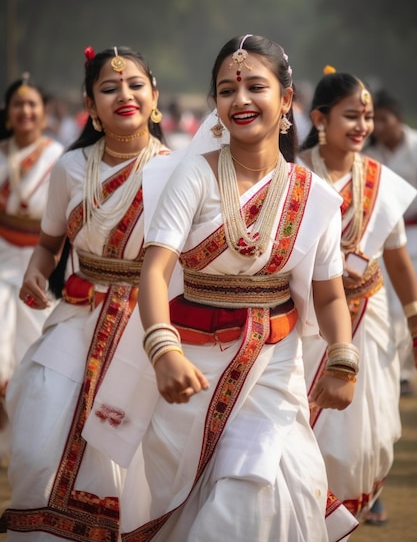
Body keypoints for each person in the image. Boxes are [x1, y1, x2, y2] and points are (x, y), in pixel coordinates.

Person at [89, 34, 359, 542]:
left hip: (273, 372)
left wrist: (343, 359)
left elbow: (327, 295)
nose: (240, 100)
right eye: (226, 90)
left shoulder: (313, 197)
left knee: (264, 490)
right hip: (192, 370)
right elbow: (154, 270)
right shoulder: (192, 176)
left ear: (286, 98)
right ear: (214, 103)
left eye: (256, 86)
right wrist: (163, 350)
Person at [2, 46, 169, 541]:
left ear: (154, 96)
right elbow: (50, 244)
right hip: (77, 316)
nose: (125, 94)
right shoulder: (71, 168)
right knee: (35, 443)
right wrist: (38, 271)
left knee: (127, 458)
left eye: (136, 84)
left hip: (146, 328)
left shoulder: (180, 171)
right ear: (90, 105)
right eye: (109, 87)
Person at [298, 69, 417, 526]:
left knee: (374, 433)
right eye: (352, 115)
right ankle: (313, 507)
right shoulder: (295, 173)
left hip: (369, 315)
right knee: (315, 423)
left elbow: (399, 260)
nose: (363, 126)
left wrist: (414, 319)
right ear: (320, 119)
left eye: (366, 116)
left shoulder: (380, 180)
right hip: (310, 318)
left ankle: (352, 503)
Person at [0, 75, 63, 465]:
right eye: (18, 105)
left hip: (40, 269)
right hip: (0, 260)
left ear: (44, 112)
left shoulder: (60, 159)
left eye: (32, 105)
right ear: (8, 113)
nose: (25, 112)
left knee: (32, 359)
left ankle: (27, 449)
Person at [365, 89, 417, 396]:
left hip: (415, 231)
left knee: (407, 304)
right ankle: (399, 374)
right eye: (375, 121)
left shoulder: (415, 147)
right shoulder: (370, 154)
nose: (379, 127)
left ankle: (405, 370)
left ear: (398, 118)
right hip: (384, 237)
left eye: (384, 119)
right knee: (391, 305)